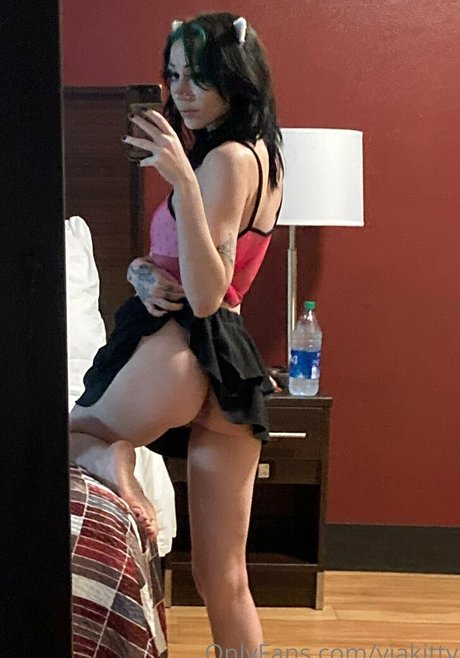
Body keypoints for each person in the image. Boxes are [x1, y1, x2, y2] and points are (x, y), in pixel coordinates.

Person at [69, 12, 283, 654]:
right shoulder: (261, 154)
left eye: (200, 77)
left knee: (63, 438)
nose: (182, 91)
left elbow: (208, 290)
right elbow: (193, 269)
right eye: (174, 75)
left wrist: (184, 183)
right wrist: (139, 271)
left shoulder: (224, 160)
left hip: (181, 349)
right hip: (229, 365)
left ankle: (111, 456)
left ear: (236, 78)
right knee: (225, 578)